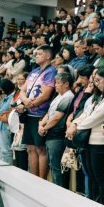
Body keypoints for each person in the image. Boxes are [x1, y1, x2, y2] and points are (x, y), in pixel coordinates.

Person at [70, 68, 104, 206]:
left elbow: (96, 117)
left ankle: (102, 206)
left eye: (98, 80)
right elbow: (86, 113)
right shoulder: (97, 96)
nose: (96, 84)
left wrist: (77, 127)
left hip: (100, 143)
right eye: (94, 81)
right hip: (88, 140)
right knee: (91, 177)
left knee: (100, 178)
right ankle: (92, 204)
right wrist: (74, 123)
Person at [18, 45, 57, 179]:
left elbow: (46, 95)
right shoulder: (33, 71)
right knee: (30, 148)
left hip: (41, 114)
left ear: (48, 56)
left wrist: (28, 105)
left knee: (40, 148)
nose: (36, 56)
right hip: (29, 114)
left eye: (39, 54)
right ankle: (33, 178)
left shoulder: (51, 71)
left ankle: (41, 180)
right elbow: (22, 91)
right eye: (36, 54)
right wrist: (25, 101)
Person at [39, 67, 75, 187]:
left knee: (57, 167)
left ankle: (59, 191)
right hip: (51, 134)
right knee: (52, 165)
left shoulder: (68, 97)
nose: (55, 85)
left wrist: (45, 128)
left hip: (57, 135)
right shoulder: (58, 96)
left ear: (66, 84)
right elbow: (49, 113)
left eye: (58, 83)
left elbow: (57, 117)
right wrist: (41, 124)